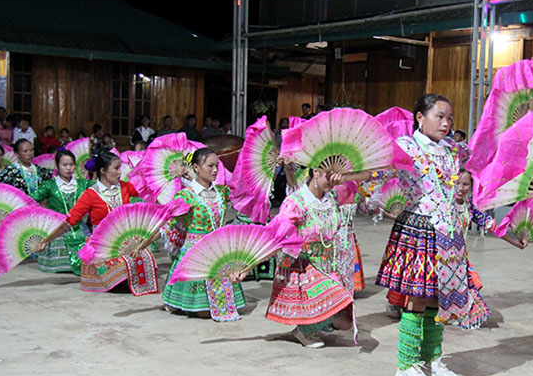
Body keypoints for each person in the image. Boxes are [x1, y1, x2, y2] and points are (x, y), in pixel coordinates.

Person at [376, 93, 524, 376]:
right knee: (417, 299)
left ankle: (432, 358)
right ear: (420, 117)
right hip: (418, 229)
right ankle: (407, 364)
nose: (446, 123)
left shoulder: (454, 151)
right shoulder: (404, 147)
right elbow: (376, 175)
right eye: (439, 116)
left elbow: (486, 165)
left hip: (450, 234)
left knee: (439, 300)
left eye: (449, 118)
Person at [38, 150, 158, 296]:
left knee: (144, 259)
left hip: (127, 240)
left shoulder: (126, 187)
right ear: (103, 171)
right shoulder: (90, 194)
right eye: (116, 168)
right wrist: (46, 240)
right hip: (103, 245)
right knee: (120, 273)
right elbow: (71, 220)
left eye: (120, 168)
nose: (120, 172)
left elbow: (146, 200)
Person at [266, 168, 358, 348]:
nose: (335, 179)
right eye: (330, 175)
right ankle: (304, 331)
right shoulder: (296, 202)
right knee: (337, 298)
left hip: (327, 263)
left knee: (345, 321)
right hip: (302, 265)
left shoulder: (331, 199)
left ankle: (312, 323)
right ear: (316, 172)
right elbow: (280, 236)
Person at [162, 148, 246, 321]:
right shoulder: (186, 196)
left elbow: (244, 194)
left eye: (217, 166)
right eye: (210, 166)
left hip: (218, 250)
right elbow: (170, 223)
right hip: (194, 252)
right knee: (204, 311)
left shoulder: (221, 193)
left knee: (221, 306)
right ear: (196, 167)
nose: (215, 170)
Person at [30, 149, 94, 274]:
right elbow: (30, 200)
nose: (68, 168)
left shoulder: (83, 184)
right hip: (57, 228)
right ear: (57, 166)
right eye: (64, 165)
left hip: (79, 227)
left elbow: (101, 189)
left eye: (71, 165)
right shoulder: (49, 185)